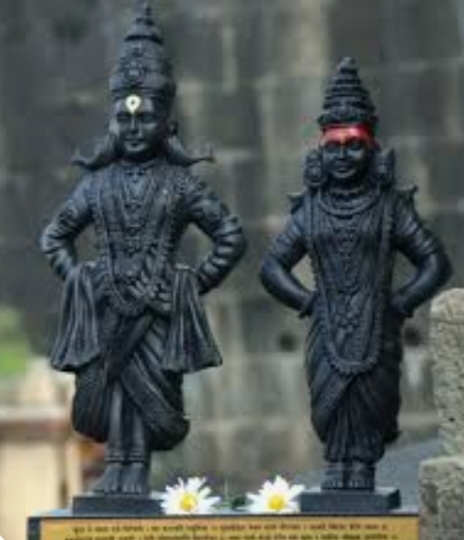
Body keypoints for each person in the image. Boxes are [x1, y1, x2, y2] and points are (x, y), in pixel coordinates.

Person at [41, 3, 246, 496]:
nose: (134, 128)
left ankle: (135, 468)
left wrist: (189, 285)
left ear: (166, 124)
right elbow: (54, 236)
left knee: (151, 396)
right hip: (106, 306)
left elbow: (230, 236)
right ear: (113, 122)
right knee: (107, 392)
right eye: (125, 119)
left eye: (145, 118)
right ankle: (117, 467)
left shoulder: (181, 185)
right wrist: (81, 280)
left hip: (157, 311)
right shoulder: (95, 185)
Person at [260, 58, 451, 491]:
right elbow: (271, 267)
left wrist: (401, 302)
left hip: (377, 326)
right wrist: (307, 301)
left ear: (372, 150)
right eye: (334, 147)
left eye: (354, 145)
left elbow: (435, 262)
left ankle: (362, 471)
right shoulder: (311, 211)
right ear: (320, 153)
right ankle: (337, 468)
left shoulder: (389, 207)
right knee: (330, 406)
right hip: (326, 327)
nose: (343, 156)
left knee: (371, 405)